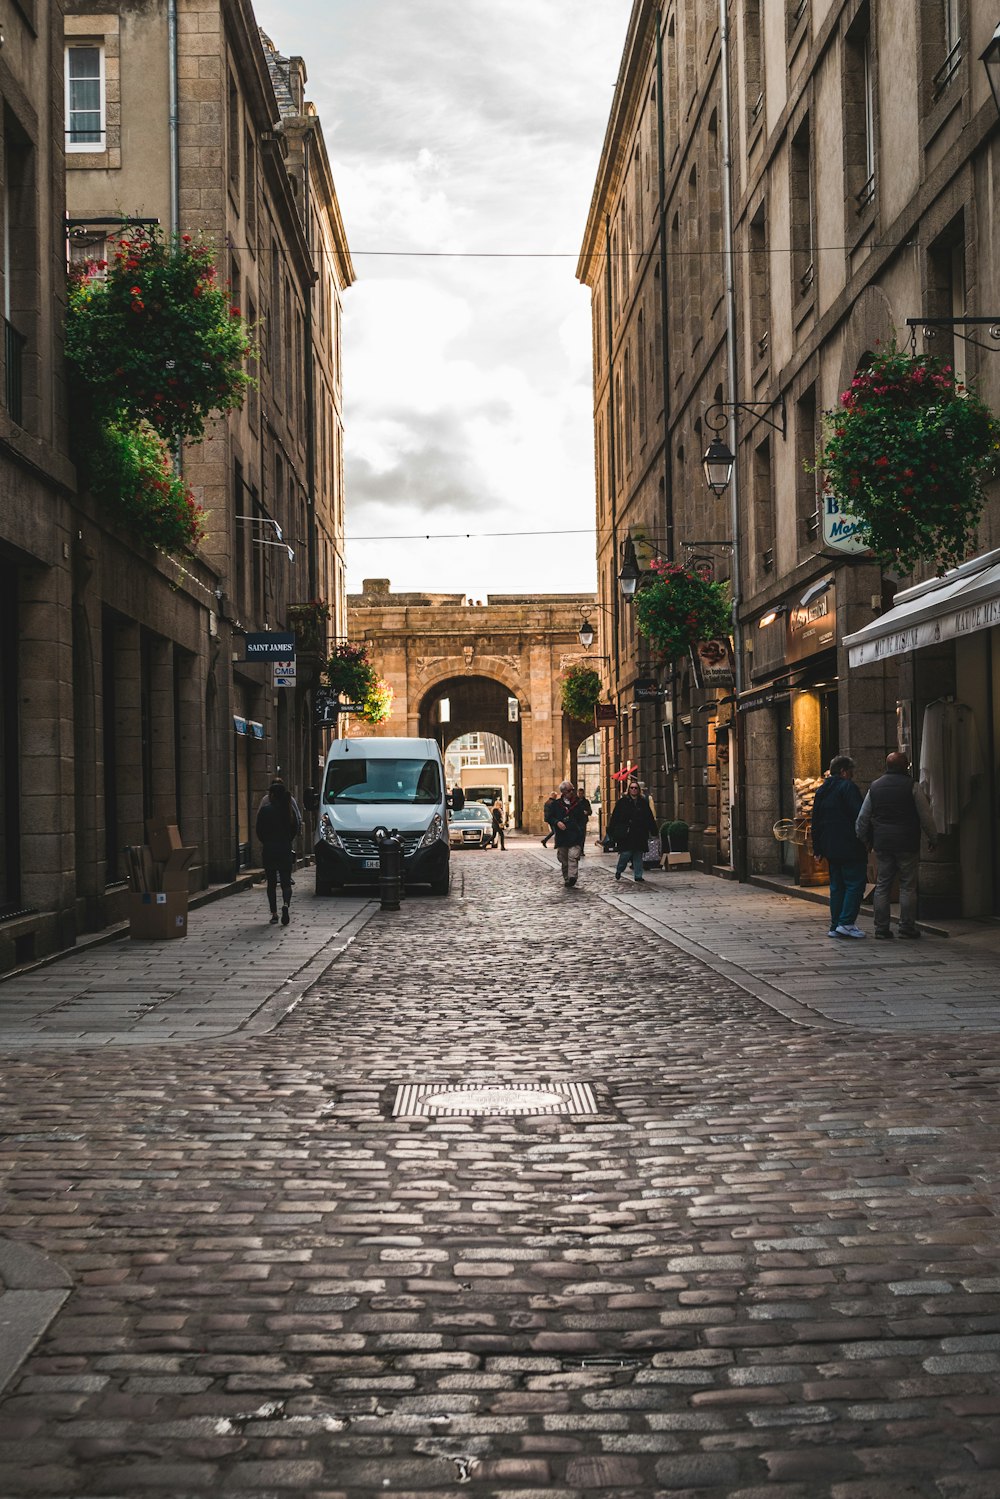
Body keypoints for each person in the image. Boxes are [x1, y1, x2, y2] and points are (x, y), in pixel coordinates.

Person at [855, 750, 937, 940]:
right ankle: (907, 927)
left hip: (883, 843)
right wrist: (933, 838)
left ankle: (881, 928)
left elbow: (862, 819)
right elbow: (925, 816)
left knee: (882, 885)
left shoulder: (874, 787)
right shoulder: (912, 786)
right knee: (908, 886)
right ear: (905, 766)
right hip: (907, 842)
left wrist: (865, 840)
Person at [810, 754, 868, 939]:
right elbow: (859, 816)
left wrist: (817, 848)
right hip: (850, 844)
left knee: (837, 886)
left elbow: (815, 821)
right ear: (844, 771)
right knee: (854, 884)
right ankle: (847, 922)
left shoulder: (822, 790)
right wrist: (867, 839)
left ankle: (836, 925)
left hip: (830, 847)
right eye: (851, 771)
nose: (852, 775)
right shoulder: (847, 787)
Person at [256, 780, 301, 926]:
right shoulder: (288, 810)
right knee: (286, 882)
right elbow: (295, 828)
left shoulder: (265, 810)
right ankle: (286, 905)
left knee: (271, 884)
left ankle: (274, 914)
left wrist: (266, 841)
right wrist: (287, 840)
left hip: (269, 850)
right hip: (284, 849)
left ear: (273, 795)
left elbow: (259, 831)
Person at [607, 777, 659, 885]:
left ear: (639, 790)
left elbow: (649, 817)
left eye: (636, 788)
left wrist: (653, 830)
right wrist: (611, 830)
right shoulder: (622, 802)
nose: (634, 790)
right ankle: (619, 870)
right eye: (632, 788)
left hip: (639, 833)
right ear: (629, 789)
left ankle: (638, 875)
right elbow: (615, 817)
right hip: (627, 833)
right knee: (626, 853)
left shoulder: (643, 802)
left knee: (638, 854)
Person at [545, 780, 589, 887]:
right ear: (563, 792)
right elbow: (548, 817)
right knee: (564, 861)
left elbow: (582, 818)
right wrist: (557, 822)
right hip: (562, 837)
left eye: (573, 790)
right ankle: (567, 878)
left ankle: (572, 877)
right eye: (570, 791)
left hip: (575, 836)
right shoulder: (556, 805)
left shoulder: (577, 804)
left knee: (573, 857)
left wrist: (579, 828)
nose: (572, 793)